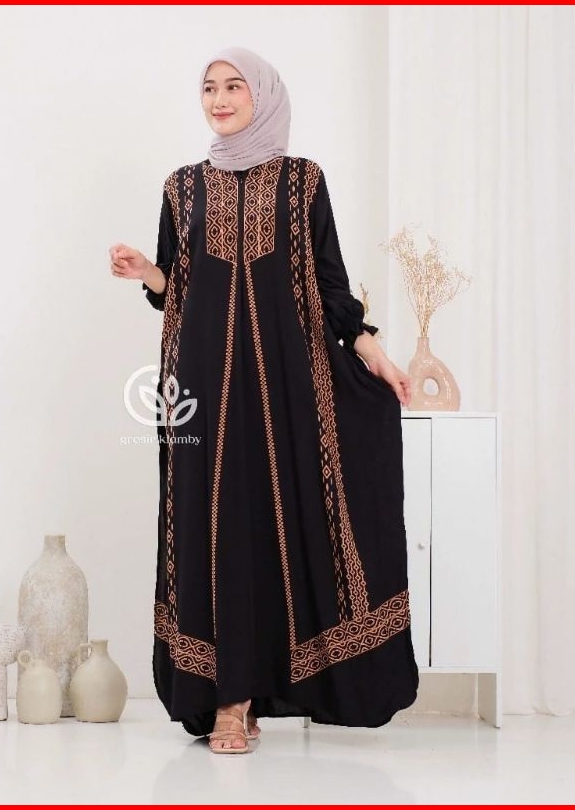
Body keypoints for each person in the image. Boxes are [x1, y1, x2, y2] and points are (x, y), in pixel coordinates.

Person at [110, 47, 418, 755]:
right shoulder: (182, 187)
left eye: (234, 86)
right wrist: (148, 271)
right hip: (202, 384)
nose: (219, 99)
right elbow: (177, 290)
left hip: (289, 383)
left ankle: (266, 687)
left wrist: (371, 350)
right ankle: (229, 699)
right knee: (215, 524)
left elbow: (330, 282)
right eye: (208, 88)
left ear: (264, 95)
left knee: (280, 521)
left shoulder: (303, 181)